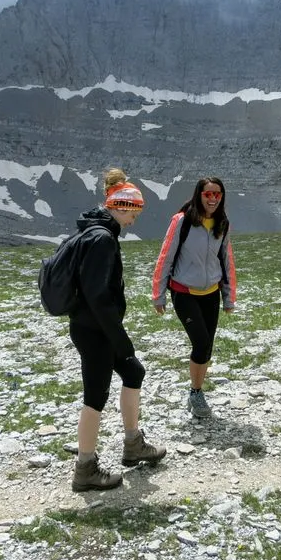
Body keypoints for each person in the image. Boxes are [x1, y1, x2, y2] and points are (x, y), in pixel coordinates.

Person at [67, 168, 166, 492]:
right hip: (95, 331)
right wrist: (120, 339)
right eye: (135, 211)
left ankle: (133, 445)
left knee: (134, 372)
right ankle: (85, 468)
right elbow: (98, 296)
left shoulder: (94, 231)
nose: (136, 218)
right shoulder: (102, 239)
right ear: (122, 206)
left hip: (93, 328)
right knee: (95, 397)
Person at [152, 177, 237, 419]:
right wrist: (158, 295)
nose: (212, 198)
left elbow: (226, 259)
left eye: (217, 194)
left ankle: (196, 391)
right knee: (200, 343)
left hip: (211, 293)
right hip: (184, 291)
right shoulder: (182, 221)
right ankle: (195, 393)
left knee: (207, 347)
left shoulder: (222, 223)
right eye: (208, 194)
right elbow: (165, 256)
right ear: (199, 195)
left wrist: (229, 297)